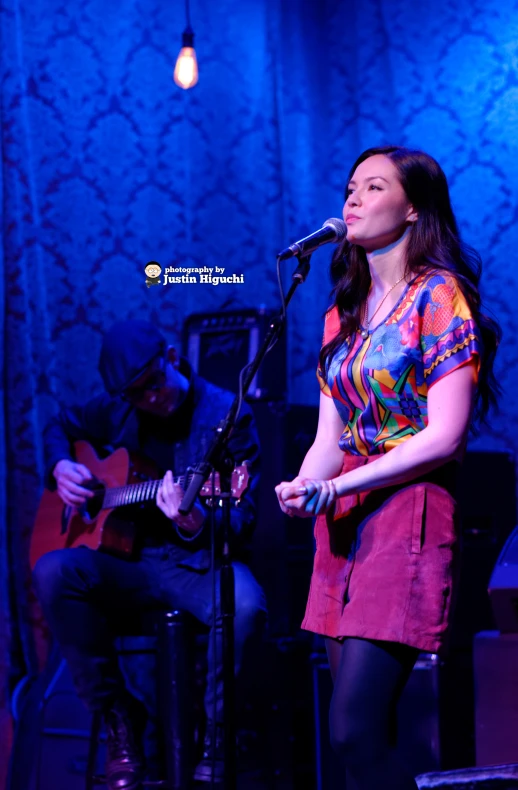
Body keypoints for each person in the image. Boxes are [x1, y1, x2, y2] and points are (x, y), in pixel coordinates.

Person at [275, 146, 500, 790]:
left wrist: (339, 482)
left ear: (412, 211)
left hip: (406, 511)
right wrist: (306, 480)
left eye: (374, 187)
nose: (353, 198)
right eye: (350, 186)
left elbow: (446, 436)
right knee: (358, 742)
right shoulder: (339, 314)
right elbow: (330, 434)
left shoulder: (438, 297)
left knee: (354, 731)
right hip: (343, 522)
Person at [33, 319, 267, 789]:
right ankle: (120, 717)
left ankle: (215, 736)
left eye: (153, 385)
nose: (150, 399)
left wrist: (197, 520)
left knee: (247, 605)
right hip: (128, 562)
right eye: (136, 396)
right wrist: (61, 465)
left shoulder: (228, 415)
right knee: (53, 570)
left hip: (195, 563)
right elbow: (61, 422)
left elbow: (243, 520)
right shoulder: (120, 412)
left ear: (173, 359)